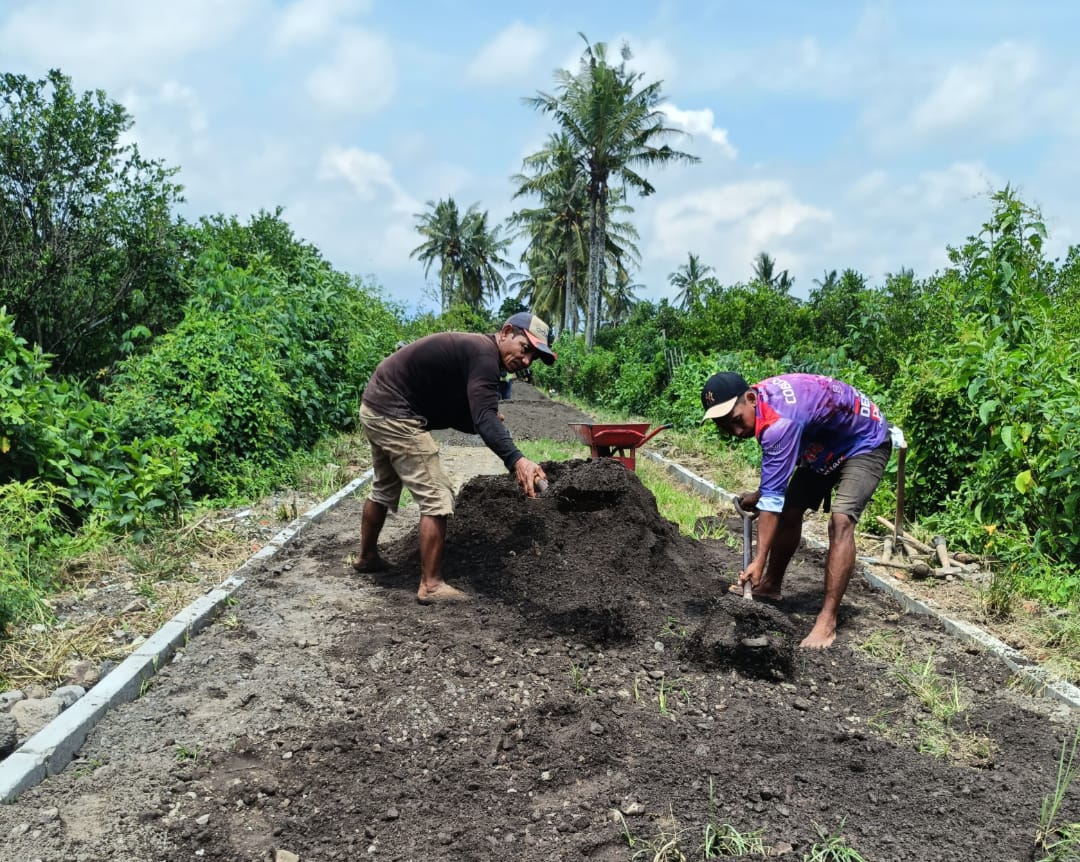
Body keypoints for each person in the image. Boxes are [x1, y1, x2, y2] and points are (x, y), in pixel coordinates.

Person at [355, 312, 557, 604]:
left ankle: (366, 557)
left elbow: (461, 411)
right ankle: (431, 585)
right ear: (506, 331)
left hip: (377, 406)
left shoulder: (478, 353)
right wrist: (518, 460)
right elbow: (484, 417)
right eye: (525, 349)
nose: (526, 361)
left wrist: (481, 420)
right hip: (396, 413)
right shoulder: (484, 356)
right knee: (437, 494)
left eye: (533, 358)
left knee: (384, 487)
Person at [701, 371, 893, 648]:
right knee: (791, 509)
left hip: (863, 439)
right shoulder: (764, 409)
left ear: (751, 398)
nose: (736, 432)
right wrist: (761, 493)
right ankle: (771, 586)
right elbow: (776, 482)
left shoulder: (779, 420)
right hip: (824, 444)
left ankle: (827, 620)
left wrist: (758, 559)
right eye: (723, 426)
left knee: (840, 520)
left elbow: (771, 504)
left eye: (735, 421)